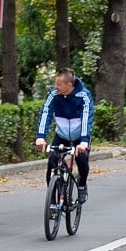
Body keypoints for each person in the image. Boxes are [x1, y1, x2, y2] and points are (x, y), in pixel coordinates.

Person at [36, 68, 95, 202]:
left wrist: (84, 141)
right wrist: (41, 137)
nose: (55, 87)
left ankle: (82, 186)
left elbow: (87, 118)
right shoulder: (53, 95)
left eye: (58, 84)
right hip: (61, 135)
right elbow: (46, 113)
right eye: (55, 83)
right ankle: (52, 199)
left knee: (82, 159)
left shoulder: (84, 96)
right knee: (52, 162)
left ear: (69, 85)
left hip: (79, 136)